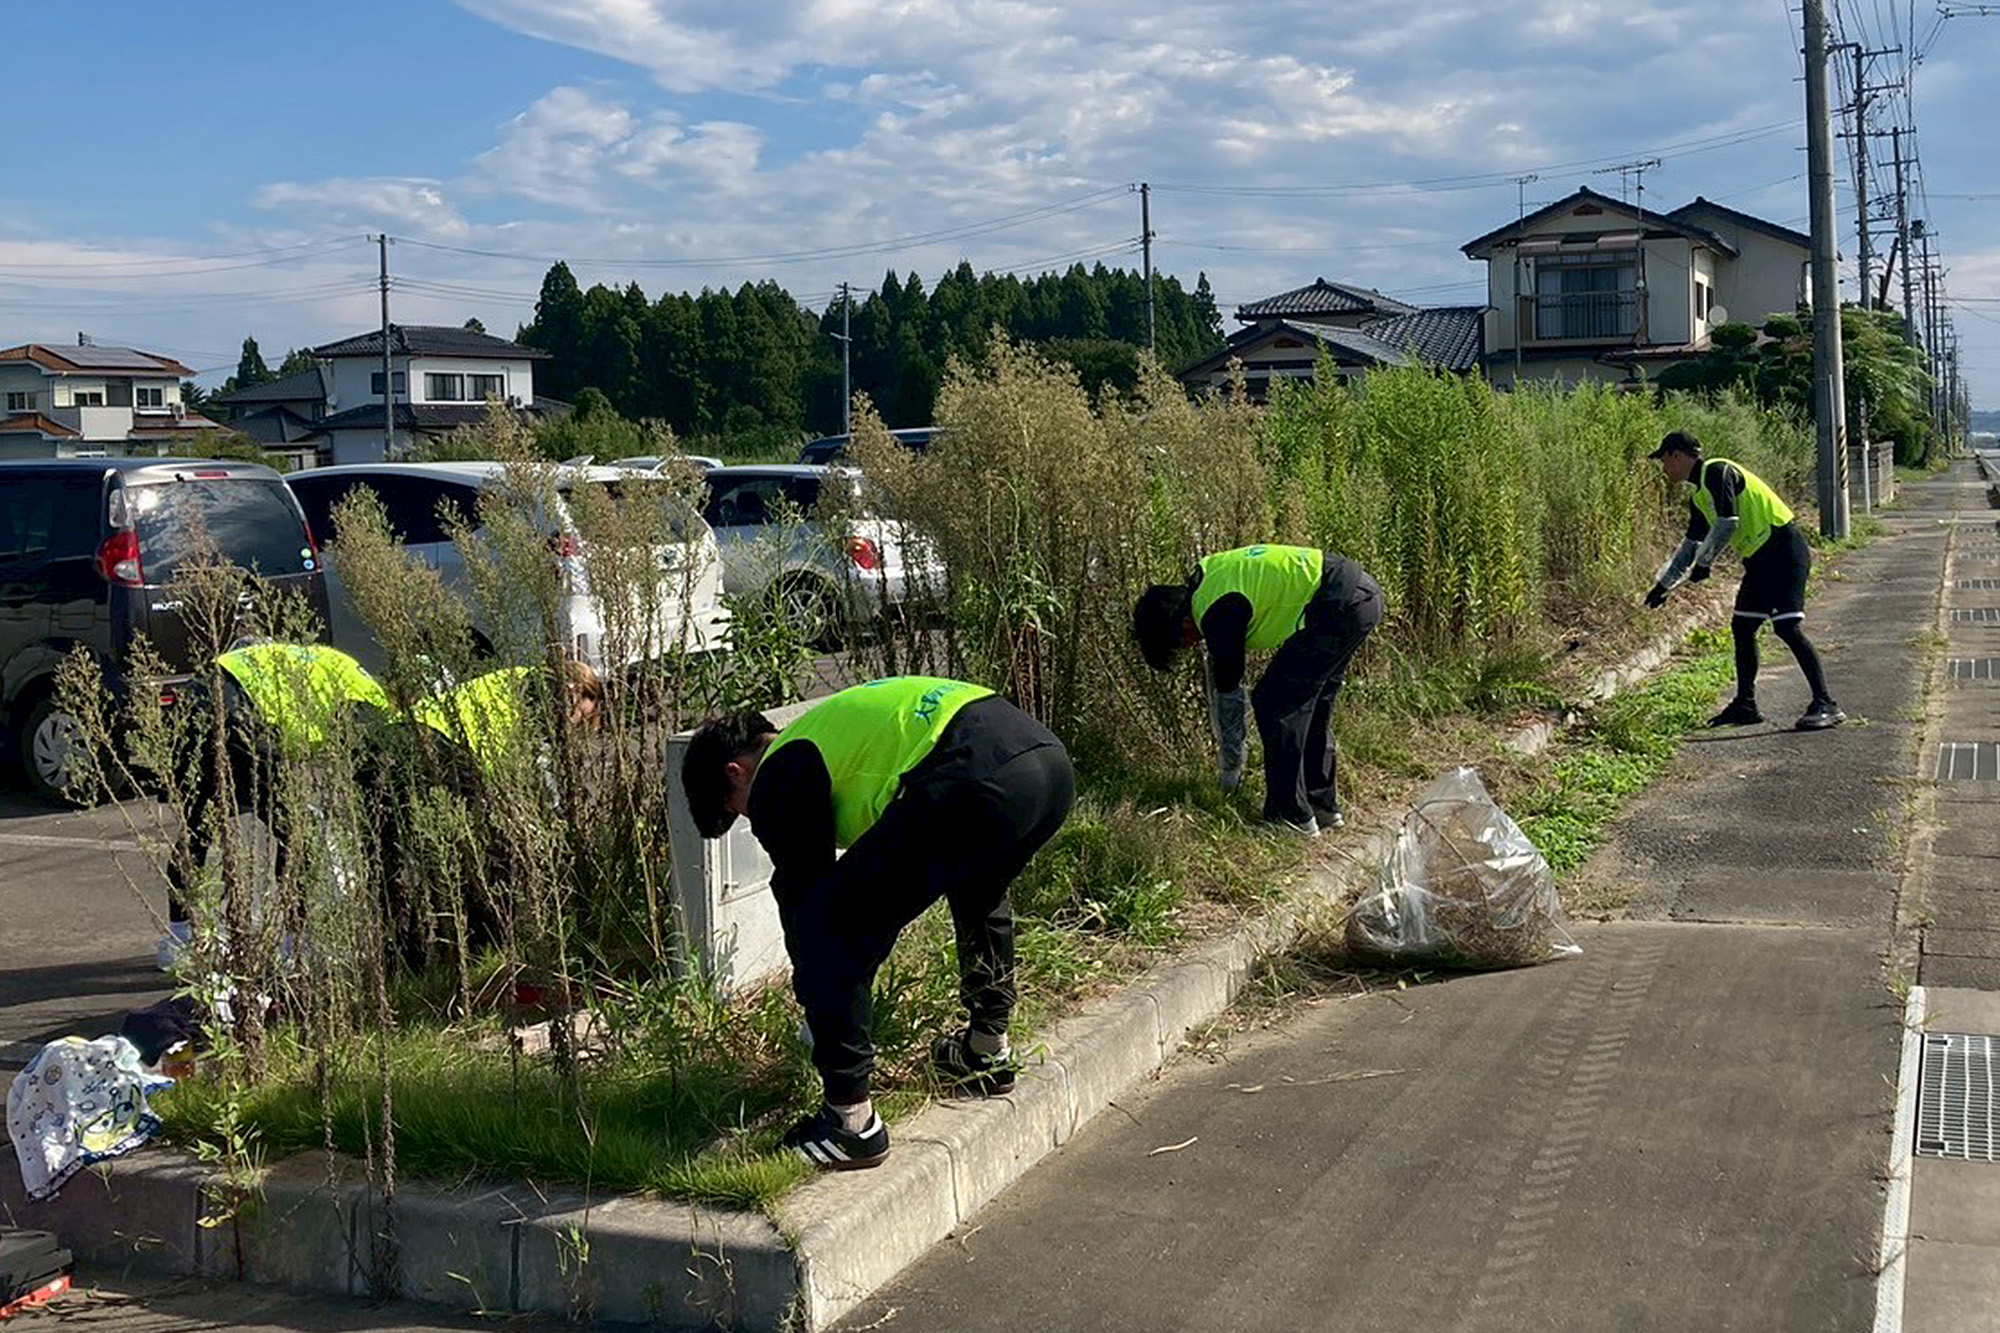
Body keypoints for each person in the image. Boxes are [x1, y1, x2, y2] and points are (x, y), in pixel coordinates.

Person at [682, 677, 1075, 1170]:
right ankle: (986, 1051)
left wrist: (822, 1012)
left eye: (734, 812)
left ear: (735, 774)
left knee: (834, 928)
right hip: (1047, 765)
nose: (751, 820)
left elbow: (810, 908)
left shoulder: (780, 770)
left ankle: (851, 1123)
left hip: (973, 778)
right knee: (980, 889)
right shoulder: (825, 734)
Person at [1133, 545, 1383, 836]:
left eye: (1181, 641)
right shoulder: (1209, 578)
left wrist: (1230, 768)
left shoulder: (1215, 613)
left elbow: (1229, 692)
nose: (1190, 646)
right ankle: (1321, 806)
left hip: (1337, 603)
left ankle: (1289, 818)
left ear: (1181, 624)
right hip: (1358, 594)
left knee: (1273, 702)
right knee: (1310, 703)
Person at [164, 641, 391, 957]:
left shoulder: (331, 666)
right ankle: (295, 943)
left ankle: (180, 939)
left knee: (198, 829)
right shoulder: (371, 701)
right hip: (240, 718)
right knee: (296, 836)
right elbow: (364, 770)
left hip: (194, 703)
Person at [1644, 430, 1844, 731]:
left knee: (1787, 627)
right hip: (1760, 561)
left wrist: (1705, 563)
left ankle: (1826, 703)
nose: (1663, 467)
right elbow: (1690, 545)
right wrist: (1663, 586)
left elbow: (1728, 521)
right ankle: (1745, 705)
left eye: (1663, 460)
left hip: (1783, 549)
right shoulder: (1699, 496)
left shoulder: (1716, 471)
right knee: (1743, 626)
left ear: (1677, 454)